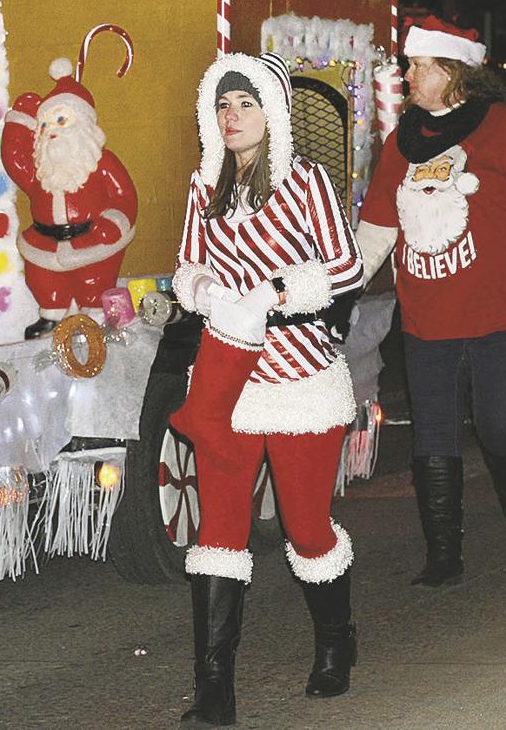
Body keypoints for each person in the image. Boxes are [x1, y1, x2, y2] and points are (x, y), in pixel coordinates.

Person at [170, 52, 364, 725]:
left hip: (301, 378)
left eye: (245, 104)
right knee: (218, 531)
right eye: (222, 105)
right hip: (228, 379)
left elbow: (346, 266)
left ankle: (337, 642)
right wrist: (205, 291)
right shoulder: (205, 185)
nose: (231, 117)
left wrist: (272, 293)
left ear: (272, 113)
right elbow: (186, 268)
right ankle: (215, 691)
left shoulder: (305, 182)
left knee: (306, 528)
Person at [356, 16, 506, 587]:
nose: (407, 76)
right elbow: (377, 230)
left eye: (418, 66)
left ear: (453, 72)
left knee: (502, 425)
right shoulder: (399, 142)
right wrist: (332, 291)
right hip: (427, 316)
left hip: (503, 311)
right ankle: (442, 553)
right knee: (433, 431)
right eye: (408, 66)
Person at [0, 62, 138, 339]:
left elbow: (124, 195)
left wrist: (114, 222)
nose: (52, 130)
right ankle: (51, 314)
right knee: (43, 282)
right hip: (44, 243)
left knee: (93, 283)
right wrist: (20, 121)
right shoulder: (41, 169)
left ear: (83, 123)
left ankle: (93, 316)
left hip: (92, 240)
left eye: (61, 120)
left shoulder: (102, 162)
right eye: (45, 123)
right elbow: (14, 161)